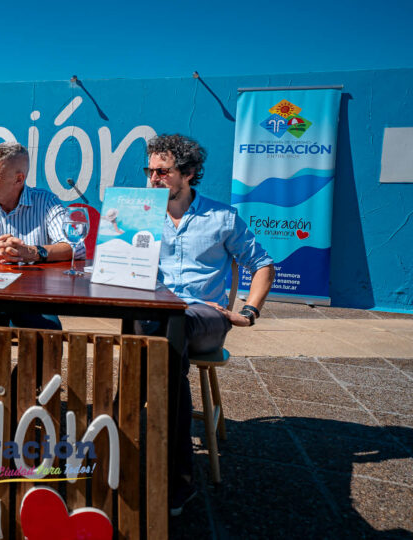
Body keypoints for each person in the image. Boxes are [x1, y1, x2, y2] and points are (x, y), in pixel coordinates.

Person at [141, 134, 275, 516]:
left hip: (204, 318)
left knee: (168, 331)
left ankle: (126, 440)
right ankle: (177, 478)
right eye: (149, 170)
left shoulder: (222, 218)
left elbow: (263, 265)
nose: (153, 178)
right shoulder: (138, 214)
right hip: (158, 318)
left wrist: (249, 311)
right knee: (160, 337)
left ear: (189, 173)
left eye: (162, 171)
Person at [0, 142, 82, 330]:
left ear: (19, 179)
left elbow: (75, 246)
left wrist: (31, 252)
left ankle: (29, 362)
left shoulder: (46, 201)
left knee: (49, 335)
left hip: (33, 297)